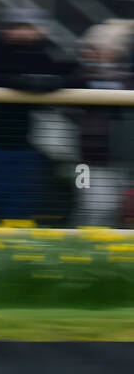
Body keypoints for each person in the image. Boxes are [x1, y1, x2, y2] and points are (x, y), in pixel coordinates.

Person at [0, 8, 70, 223]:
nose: (23, 32)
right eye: (18, 27)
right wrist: (24, 83)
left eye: (28, 27)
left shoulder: (46, 52)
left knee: (25, 195)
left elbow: (64, 77)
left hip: (30, 142)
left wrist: (40, 84)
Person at [71, 20, 134, 226]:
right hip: (86, 159)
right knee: (91, 208)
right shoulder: (79, 76)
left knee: (119, 210)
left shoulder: (126, 79)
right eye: (93, 49)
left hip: (121, 159)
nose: (98, 54)